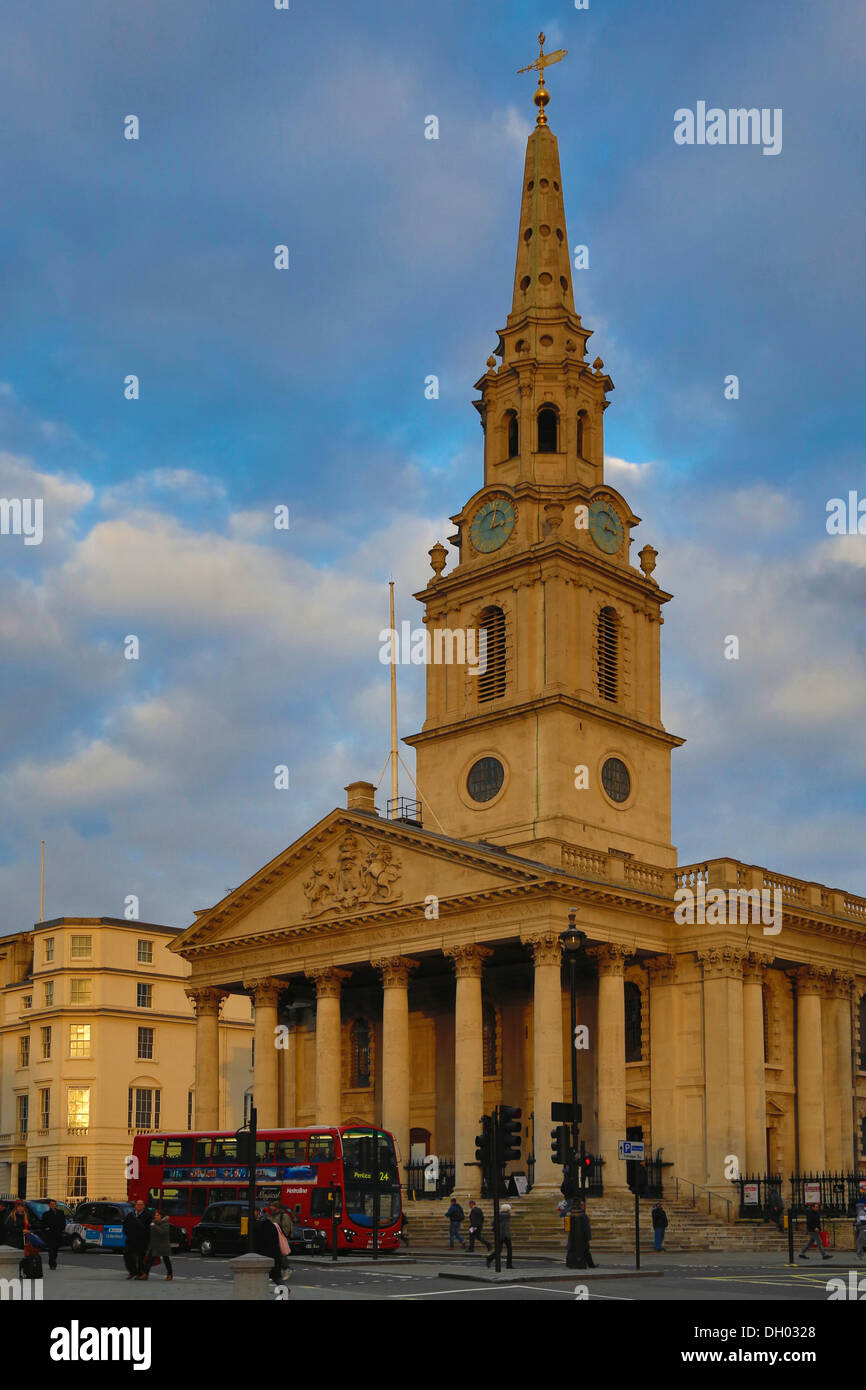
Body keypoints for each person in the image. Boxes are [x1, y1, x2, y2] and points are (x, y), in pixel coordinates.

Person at [253, 1205, 289, 1285]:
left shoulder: (263, 1226)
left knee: (275, 1278)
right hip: (273, 1256)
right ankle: (285, 1291)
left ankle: (285, 1291)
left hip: (268, 1256)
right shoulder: (271, 1225)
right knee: (276, 1278)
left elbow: (261, 1242)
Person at [122, 1199, 152, 1279]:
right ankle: (132, 1271)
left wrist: (145, 1236)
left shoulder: (148, 1215)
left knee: (140, 1257)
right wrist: (128, 1234)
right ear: (135, 1206)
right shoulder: (130, 1215)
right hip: (130, 1239)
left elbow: (150, 1229)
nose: (139, 1206)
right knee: (127, 1255)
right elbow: (125, 1226)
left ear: (144, 1206)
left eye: (141, 1205)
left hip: (142, 1240)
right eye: (138, 1204)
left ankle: (140, 1273)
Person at [141, 1210, 173, 1281]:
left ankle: (170, 1274)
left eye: (157, 1215)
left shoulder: (165, 1223)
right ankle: (145, 1274)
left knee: (166, 1260)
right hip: (154, 1245)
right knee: (149, 1260)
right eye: (155, 1215)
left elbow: (162, 1232)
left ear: (161, 1216)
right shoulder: (153, 1222)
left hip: (163, 1245)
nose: (155, 1216)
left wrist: (154, 1226)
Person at [486, 1202, 513, 1269]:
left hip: (499, 1235)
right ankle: (509, 1265)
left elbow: (493, 1223)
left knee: (499, 1250)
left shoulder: (499, 1215)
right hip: (506, 1234)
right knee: (509, 1250)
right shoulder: (508, 1215)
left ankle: (489, 1258)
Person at [41, 1200, 67, 1271]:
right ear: (49, 1205)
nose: (52, 1205)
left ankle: (53, 1260)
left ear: (56, 1205)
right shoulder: (46, 1214)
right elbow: (43, 1224)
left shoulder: (60, 1213)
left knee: (55, 1250)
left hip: (58, 1234)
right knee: (51, 1249)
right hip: (50, 1234)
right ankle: (52, 1263)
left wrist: (61, 1229)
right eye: (51, 1204)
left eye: (54, 1204)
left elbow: (63, 1223)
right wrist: (47, 1229)